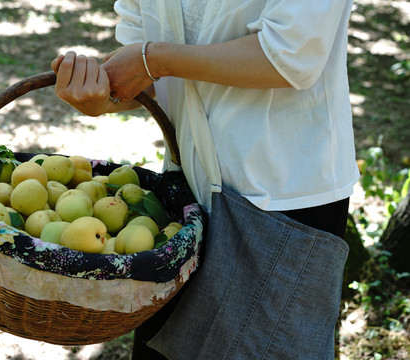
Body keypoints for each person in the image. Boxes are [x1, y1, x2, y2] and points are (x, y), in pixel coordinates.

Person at [51, 1, 360, 359]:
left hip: (279, 197)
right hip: (185, 199)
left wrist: (155, 60)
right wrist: (104, 92)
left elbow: (291, 54)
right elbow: (143, 72)